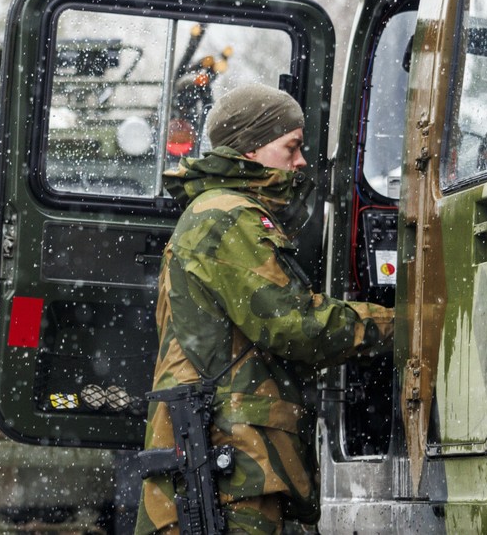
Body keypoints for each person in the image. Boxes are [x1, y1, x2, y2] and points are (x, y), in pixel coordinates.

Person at [135, 84, 395, 534]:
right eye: (290, 147)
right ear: (252, 149)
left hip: (232, 459)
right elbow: (294, 324)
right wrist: (399, 326)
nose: (300, 162)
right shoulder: (226, 215)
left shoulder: (219, 211)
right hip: (231, 462)